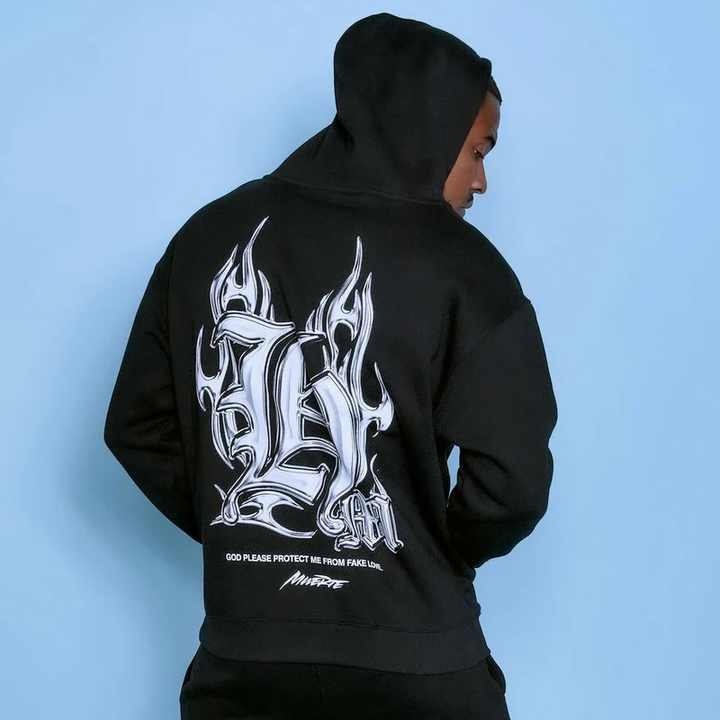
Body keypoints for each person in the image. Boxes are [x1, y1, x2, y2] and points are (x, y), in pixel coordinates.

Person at [103, 11, 557, 719]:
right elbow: (513, 483)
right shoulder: (468, 270)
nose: (481, 181)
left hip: (245, 662)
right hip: (419, 664)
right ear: (430, 128)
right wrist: (439, 550)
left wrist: (244, 532)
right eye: (477, 151)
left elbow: (137, 427)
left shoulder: (207, 238)